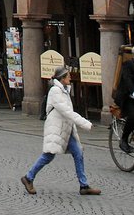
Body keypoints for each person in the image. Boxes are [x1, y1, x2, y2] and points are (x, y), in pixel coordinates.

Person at [21, 66, 100, 196]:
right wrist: (85, 123)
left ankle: (84, 185)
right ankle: (28, 178)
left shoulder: (63, 90)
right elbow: (67, 112)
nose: (70, 77)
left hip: (65, 130)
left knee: (78, 153)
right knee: (48, 155)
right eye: (68, 76)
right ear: (62, 78)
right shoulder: (55, 92)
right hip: (57, 129)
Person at [113, 51, 134, 153]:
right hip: (127, 98)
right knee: (133, 116)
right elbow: (127, 79)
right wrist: (133, 91)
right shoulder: (128, 64)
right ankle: (124, 140)